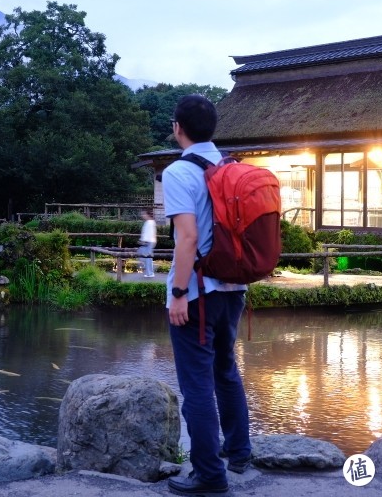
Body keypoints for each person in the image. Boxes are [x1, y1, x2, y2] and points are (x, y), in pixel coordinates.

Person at [162, 94, 252, 496]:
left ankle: (210, 477)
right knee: (225, 370)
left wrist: (179, 292)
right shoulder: (229, 166)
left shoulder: (179, 173)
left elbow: (187, 238)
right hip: (234, 288)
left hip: (198, 292)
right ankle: (239, 453)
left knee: (197, 384)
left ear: (177, 127)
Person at [138, 209, 157, 277]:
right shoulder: (150, 222)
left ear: (147, 215)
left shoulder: (149, 222)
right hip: (149, 242)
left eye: (144, 214)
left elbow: (148, 233)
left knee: (147, 257)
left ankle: (150, 272)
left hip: (149, 242)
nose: (143, 216)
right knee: (147, 257)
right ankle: (149, 271)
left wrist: (143, 241)